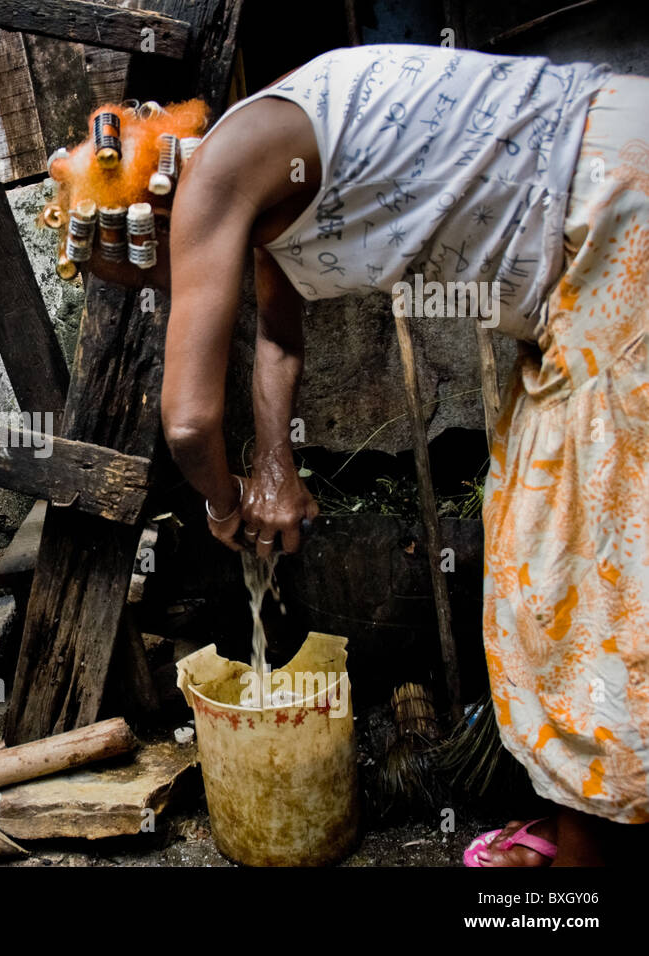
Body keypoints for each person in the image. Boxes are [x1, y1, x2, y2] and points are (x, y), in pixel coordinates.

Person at [63, 44, 649, 864]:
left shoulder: (213, 180)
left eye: (146, 277)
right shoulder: (251, 162)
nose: (174, 287)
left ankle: (598, 847)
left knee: (596, 574)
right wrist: (276, 464)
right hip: (585, 238)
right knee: (535, 552)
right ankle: (592, 807)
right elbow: (276, 335)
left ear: (150, 222)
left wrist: (223, 507)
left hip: (617, 214)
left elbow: (189, 424)